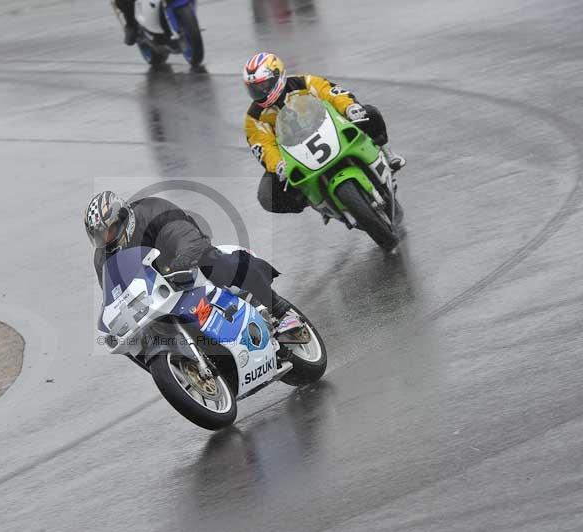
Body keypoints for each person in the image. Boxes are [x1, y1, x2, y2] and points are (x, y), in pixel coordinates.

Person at [85, 190, 303, 333]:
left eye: (109, 230)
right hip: (154, 294)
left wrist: (183, 259)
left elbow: (182, 234)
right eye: (100, 235)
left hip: (185, 263)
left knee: (218, 264)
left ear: (123, 217)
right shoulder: (102, 258)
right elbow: (113, 294)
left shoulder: (151, 211)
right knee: (140, 334)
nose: (106, 238)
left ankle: (280, 310)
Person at [243, 52, 406, 214]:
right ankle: (311, 198)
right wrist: (278, 164)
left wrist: (349, 107)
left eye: (263, 85)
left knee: (369, 113)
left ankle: (385, 151)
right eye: (254, 88)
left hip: (328, 128)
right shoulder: (254, 117)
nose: (259, 91)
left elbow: (330, 92)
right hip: (293, 154)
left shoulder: (303, 82)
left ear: (277, 75)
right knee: (267, 195)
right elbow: (263, 145)